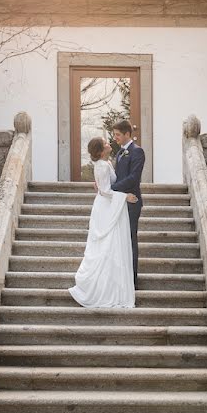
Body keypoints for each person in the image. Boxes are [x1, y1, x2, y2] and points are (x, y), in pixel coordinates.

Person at [68, 137, 137, 308]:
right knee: (106, 244)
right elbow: (106, 191)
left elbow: (104, 185)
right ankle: (100, 288)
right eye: (105, 144)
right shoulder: (101, 165)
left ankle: (110, 284)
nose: (109, 144)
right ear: (100, 151)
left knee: (110, 245)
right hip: (105, 207)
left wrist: (99, 184)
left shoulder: (105, 164)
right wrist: (125, 197)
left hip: (107, 205)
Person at [109, 119, 145, 286]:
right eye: (114, 134)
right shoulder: (119, 153)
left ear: (127, 134)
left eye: (117, 135)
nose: (115, 137)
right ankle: (121, 277)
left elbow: (133, 178)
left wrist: (112, 188)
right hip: (119, 201)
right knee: (120, 240)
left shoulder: (137, 152)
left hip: (132, 202)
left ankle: (133, 280)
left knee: (130, 239)